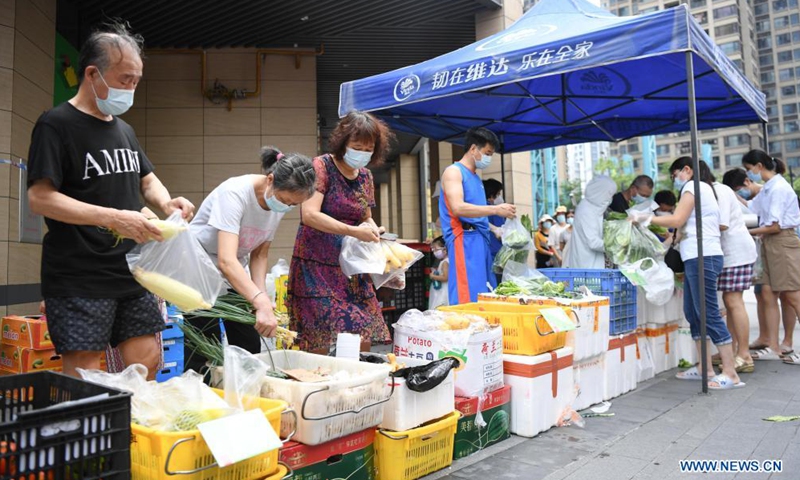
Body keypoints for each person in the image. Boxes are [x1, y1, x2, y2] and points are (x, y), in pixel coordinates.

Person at [26, 24, 194, 379]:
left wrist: (168, 204)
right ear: (92, 74)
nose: (131, 89)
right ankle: (90, 433)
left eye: (136, 80)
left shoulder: (124, 130)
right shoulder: (55, 125)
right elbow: (40, 198)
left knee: (147, 359)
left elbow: (146, 179)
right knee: (86, 373)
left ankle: (130, 432)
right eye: (126, 79)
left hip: (131, 270)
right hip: (78, 273)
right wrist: (115, 218)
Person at [184, 148, 316, 374]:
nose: (286, 207)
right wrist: (259, 300)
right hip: (199, 270)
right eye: (286, 201)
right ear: (271, 180)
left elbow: (260, 254)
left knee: (249, 343)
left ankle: (244, 396)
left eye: (293, 205)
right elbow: (226, 259)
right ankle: (204, 395)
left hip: (234, 272)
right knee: (205, 345)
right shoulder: (234, 193)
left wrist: (261, 295)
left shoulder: (279, 201)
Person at [288, 111, 394, 353]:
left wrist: (374, 229)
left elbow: (365, 216)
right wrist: (355, 232)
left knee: (362, 327)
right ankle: (318, 384)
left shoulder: (366, 176)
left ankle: (355, 383)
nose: (363, 153)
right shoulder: (322, 166)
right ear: (342, 142)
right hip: (316, 265)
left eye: (369, 149)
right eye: (357, 146)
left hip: (352, 266)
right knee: (319, 333)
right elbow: (310, 214)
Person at [649, 158, 743, 389]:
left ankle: (730, 372)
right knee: (693, 311)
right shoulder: (701, 188)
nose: (675, 179)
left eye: (675, 174)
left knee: (707, 311)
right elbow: (682, 227)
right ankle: (704, 367)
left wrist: (644, 218)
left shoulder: (693, 186)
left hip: (704, 256)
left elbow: (677, 219)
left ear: (687, 170)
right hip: (694, 256)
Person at [440, 127, 516, 304]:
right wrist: (496, 210)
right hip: (464, 239)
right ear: (473, 149)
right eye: (487, 153)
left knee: (484, 294)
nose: (489, 158)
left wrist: (494, 228)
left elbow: (475, 212)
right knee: (467, 297)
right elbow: (458, 208)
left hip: (481, 239)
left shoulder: (475, 178)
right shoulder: (454, 172)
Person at [740, 150, 800, 363]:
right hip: (770, 244)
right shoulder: (767, 189)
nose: (750, 174)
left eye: (749, 169)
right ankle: (773, 344)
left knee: (792, 295)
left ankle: (782, 343)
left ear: (758, 166)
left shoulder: (777, 188)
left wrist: (748, 232)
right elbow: (750, 209)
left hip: (782, 242)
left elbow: (773, 226)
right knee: (768, 293)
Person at [705, 169, 758, 373]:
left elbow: (722, 224)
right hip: (731, 254)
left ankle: (743, 355)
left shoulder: (720, 191)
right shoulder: (715, 191)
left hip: (736, 253)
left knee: (734, 302)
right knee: (730, 303)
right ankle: (734, 350)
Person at [563, 176, 617, 269]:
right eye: (610, 195)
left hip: (592, 265)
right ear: (601, 193)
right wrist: (617, 246)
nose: (611, 199)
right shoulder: (586, 211)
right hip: (588, 267)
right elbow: (594, 243)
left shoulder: (594, 209)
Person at [483, 178, 505, 268]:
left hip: (483, 252)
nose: (500, 197)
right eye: (498, 194)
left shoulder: (478, 209)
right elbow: (502, 233)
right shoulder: (495, 211)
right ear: (491, 195)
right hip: (495, 254)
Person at [428, 237, 450, 310]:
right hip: (443, 290)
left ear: (445, 250)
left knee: (439, 308)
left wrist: (433, 276)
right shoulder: (447, 260)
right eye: (433, 250)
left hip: (443, 291)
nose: (434, 252)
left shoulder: (445, 262)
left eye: (436, 249)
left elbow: (445, 277)